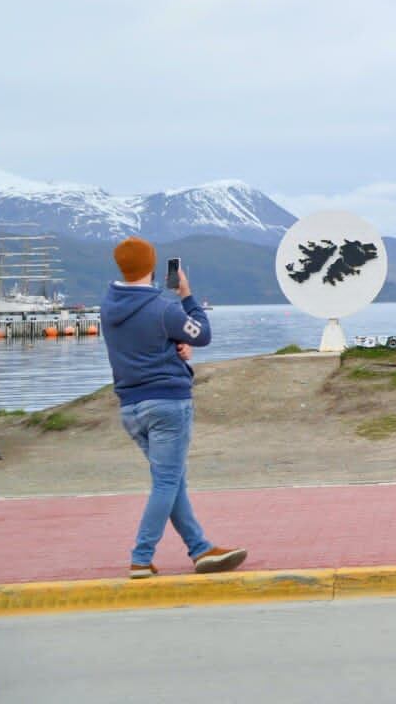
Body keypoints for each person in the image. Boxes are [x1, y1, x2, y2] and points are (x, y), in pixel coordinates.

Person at [101, 237, 246, 578]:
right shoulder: (164, 308)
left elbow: (145, 345)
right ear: (152, 267)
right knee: (166, 482)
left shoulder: (107, 307)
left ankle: (200, 549)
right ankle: (141, 556)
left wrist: (173, 347)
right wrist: (186, 295)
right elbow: (202, 333)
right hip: (167, 403)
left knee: (172, 480)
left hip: (130, 407)